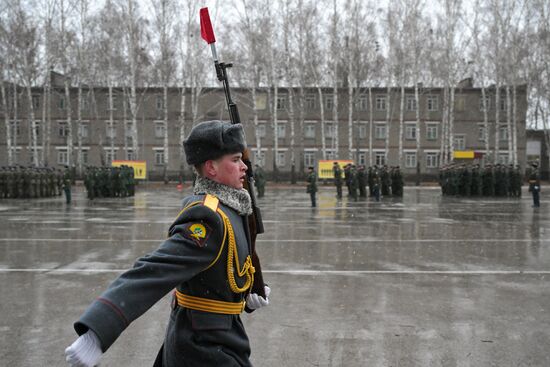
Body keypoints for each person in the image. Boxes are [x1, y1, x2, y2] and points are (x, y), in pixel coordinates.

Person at [64, 120, 270, 367]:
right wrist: (98, 331)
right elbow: (153, 271)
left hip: (221, 337)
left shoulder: (233, 208)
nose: (244, 166)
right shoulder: (208, 218)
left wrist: (244, 293)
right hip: (203, 348)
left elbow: (220, 272)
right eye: (235, 159)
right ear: (211, 168)